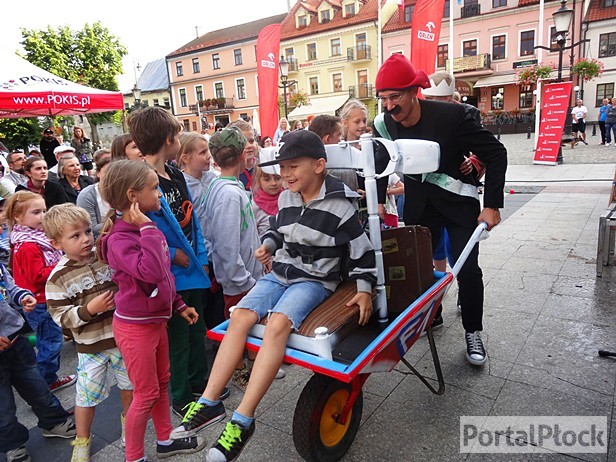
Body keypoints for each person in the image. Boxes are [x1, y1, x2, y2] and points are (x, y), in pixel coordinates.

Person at [173, 131, 376, 462]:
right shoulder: (286, 198)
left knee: (278, 324)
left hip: (314, 281)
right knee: (238, 315)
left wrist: (365, 290)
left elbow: (362, 252)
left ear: (319, 165)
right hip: (280, 274)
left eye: (293, 167)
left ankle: (243, 418)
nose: (286, 175)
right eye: (283, 169)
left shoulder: (340, 206)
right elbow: (277, 231)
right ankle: (209, 402)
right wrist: (268, 245)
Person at [372, 53, 507, 366]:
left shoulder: (453, 117)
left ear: (414, 92)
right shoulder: (383, 124)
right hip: (420, 208)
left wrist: (492, 206)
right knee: (420, 273)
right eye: (384, 98)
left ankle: (473, 331)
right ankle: (432, 316)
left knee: (468, 271)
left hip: (459, 204)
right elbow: (381, 162)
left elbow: (496, 153)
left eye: (396, 97)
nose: (390, 106)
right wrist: (378, 200)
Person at [97, 160, 205, 462]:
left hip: (154, 323)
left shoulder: (142, 229)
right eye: (154, 188)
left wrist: (179, 305)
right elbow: (154, 272)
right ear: (133, 196)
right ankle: (134, 457)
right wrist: (148, 228)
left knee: (160, 384)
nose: (160, 194)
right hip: (136, 329)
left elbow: (165, 283)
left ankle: (165, 439)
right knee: (144, 395)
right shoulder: (121, 238)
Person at [129, 107, 217, 416]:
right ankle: (180, 396)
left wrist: (202, 257)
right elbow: (135, 231)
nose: (179, 139)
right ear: (168, 139)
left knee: (197, 329)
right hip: (170, 278)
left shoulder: (175, 173)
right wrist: (169, 254)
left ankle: (198, 381)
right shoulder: (141, 180)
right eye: (178, 135)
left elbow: (192, 221)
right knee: (177, 338)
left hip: (192, 268)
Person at [44, 204, 133, 462]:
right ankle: (82, 439)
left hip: (121, 338)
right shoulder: (58, 277)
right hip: (90, 348)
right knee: (85, 397)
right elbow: (60, 316)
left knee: (129, 387)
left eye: (86, 232)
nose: (85, 239)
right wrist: (88, 310)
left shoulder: (103, 256)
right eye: (75, 236)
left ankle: (130, 426)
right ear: (56, 242)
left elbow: (122, 282)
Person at [200, 128, 266, 391]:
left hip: (242, 274)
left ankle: (252, 361)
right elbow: (227, 245)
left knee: (246, 325)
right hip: (238, 280)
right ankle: (239, 371)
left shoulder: (225, 186)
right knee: (237, 328)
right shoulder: (227, 193)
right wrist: (245, 279)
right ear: (241, 154)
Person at [0, 260, 77, 462]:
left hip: (16, 341)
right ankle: (13, 444)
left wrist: (23, 297)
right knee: (3, 408)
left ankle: (53, 421)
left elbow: (10, 288)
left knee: (38, 387)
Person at [5, 191, 77, 390]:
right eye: (36, 212)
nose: (42, 216)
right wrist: (63, 264)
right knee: (50, 342)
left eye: (44, 211)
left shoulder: (36, 237)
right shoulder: (28, 244)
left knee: (51, 338)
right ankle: (46, 382)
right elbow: (36, 277)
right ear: (18, 217)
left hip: (45, 298)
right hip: (40, 301)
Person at [76, 156, 111, 239]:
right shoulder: (86, 196)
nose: (111, 176)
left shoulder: (125, 191)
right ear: (98, 173)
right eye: (107, 172)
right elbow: (91, 228)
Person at [251, 164, 284, 239]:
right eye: (267, 179)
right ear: (259, 180)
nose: (273, 183)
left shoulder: (288, 198)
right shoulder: (254, 206)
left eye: (277, 178)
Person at [228, 119, 257, 193]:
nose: (249, 145)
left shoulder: (263, 167)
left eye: (251, 141)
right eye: (243, 142)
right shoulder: (231, 174)